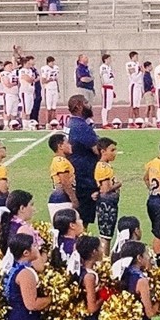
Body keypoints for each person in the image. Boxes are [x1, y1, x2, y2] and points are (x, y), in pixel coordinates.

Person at [65, 95, 99, 227]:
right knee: (82, 221)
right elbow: (97, 150)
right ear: (78, 106)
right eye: (86, 102)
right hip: (84, 178)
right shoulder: (81, 126)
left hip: (76, 174)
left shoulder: (71, 123)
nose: (89, 105)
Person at [94, 138, 121, 241]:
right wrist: (118, 184)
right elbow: (106, 189)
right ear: (103, 151)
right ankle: (105, 256)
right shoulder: (102, 167)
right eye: (112, 150)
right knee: (106, 236)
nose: (115, 153)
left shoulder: (105, 166)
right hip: (106, 204)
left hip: (108, 202)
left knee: (107, 235)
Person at [46, 133, 76, 218]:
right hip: (62, 197)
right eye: (67, 143)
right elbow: (65, 182)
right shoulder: (61, 161)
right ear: (60, 146)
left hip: (60, 196)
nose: (70, 145)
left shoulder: (60, 160)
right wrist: (73, 199)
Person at [98, 55, 115, 127]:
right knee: (105, 106)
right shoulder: (103, 67)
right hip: (106, 88)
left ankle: (106, 121)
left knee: (108, 106)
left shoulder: (109, 67)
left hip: (110, 88)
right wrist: (111, 79)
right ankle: (104, 122)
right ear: (105, 59)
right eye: (109, 59)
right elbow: (106, 80)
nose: (110, 60)